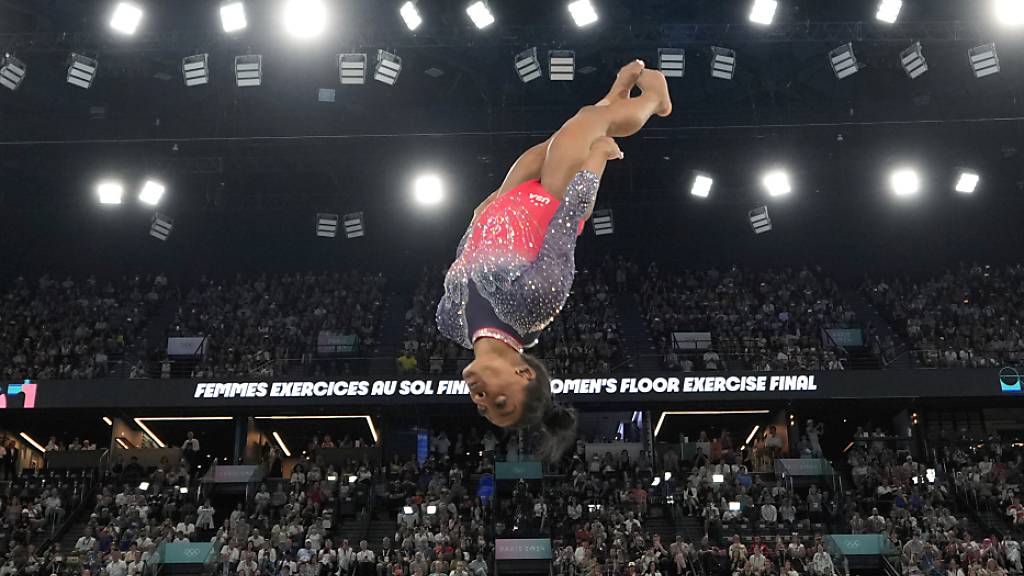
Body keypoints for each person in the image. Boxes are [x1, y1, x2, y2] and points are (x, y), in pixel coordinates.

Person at [436, 60, 672, 459]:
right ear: (523, 373)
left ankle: (615, 94)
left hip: (504, 204)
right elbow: (566, 227)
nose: (482, 403)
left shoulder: (450, 323)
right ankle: (654, 99)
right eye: (501, 404)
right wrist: (596, 160)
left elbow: (466, 261)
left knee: (578, 123)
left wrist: (481, 214)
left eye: (485, 411)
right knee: (591, 126)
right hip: (552, 198)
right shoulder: (531, 308)